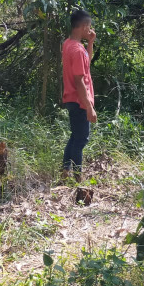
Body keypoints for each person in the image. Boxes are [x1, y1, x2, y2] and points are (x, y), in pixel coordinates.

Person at [61, 9, 97, 181]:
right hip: (79, 101)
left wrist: (90, 43)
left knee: (75, 137)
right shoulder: (75, 50)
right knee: (81, 140)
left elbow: (86, 63)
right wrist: (89, 107)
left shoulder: (70, 44)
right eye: (88, 27)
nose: (90, 29)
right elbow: (79, 81)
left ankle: (65, 171)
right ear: (83, 26)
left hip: (73, 99)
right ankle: (77, 178)